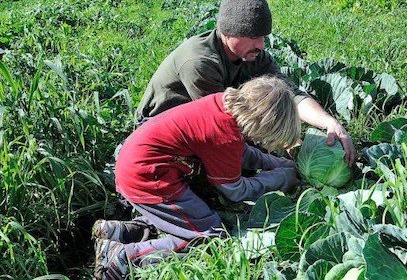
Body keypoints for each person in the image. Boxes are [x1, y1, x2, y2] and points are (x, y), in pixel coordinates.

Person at [94, 75, 302, 279]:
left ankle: (118, 232)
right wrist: (283, 178)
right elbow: (237, 191)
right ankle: (121, 258)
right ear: (264, 124)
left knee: (184, 218)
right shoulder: (224, 136)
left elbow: (242, 153)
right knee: (210, 238)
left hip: (137, 164)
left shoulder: (223, 106)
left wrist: (279, 164)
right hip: (149, 178)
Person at [135, 0, 355, 166]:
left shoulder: (255, 55)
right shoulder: (200, 62)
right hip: (156, 131)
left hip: (207, 122)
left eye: (263, 37)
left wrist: (329, 123)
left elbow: (290, 94)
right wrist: (281, 147)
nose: (260, 45)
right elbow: (222, 125)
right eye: (252, 37)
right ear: (228, 33)